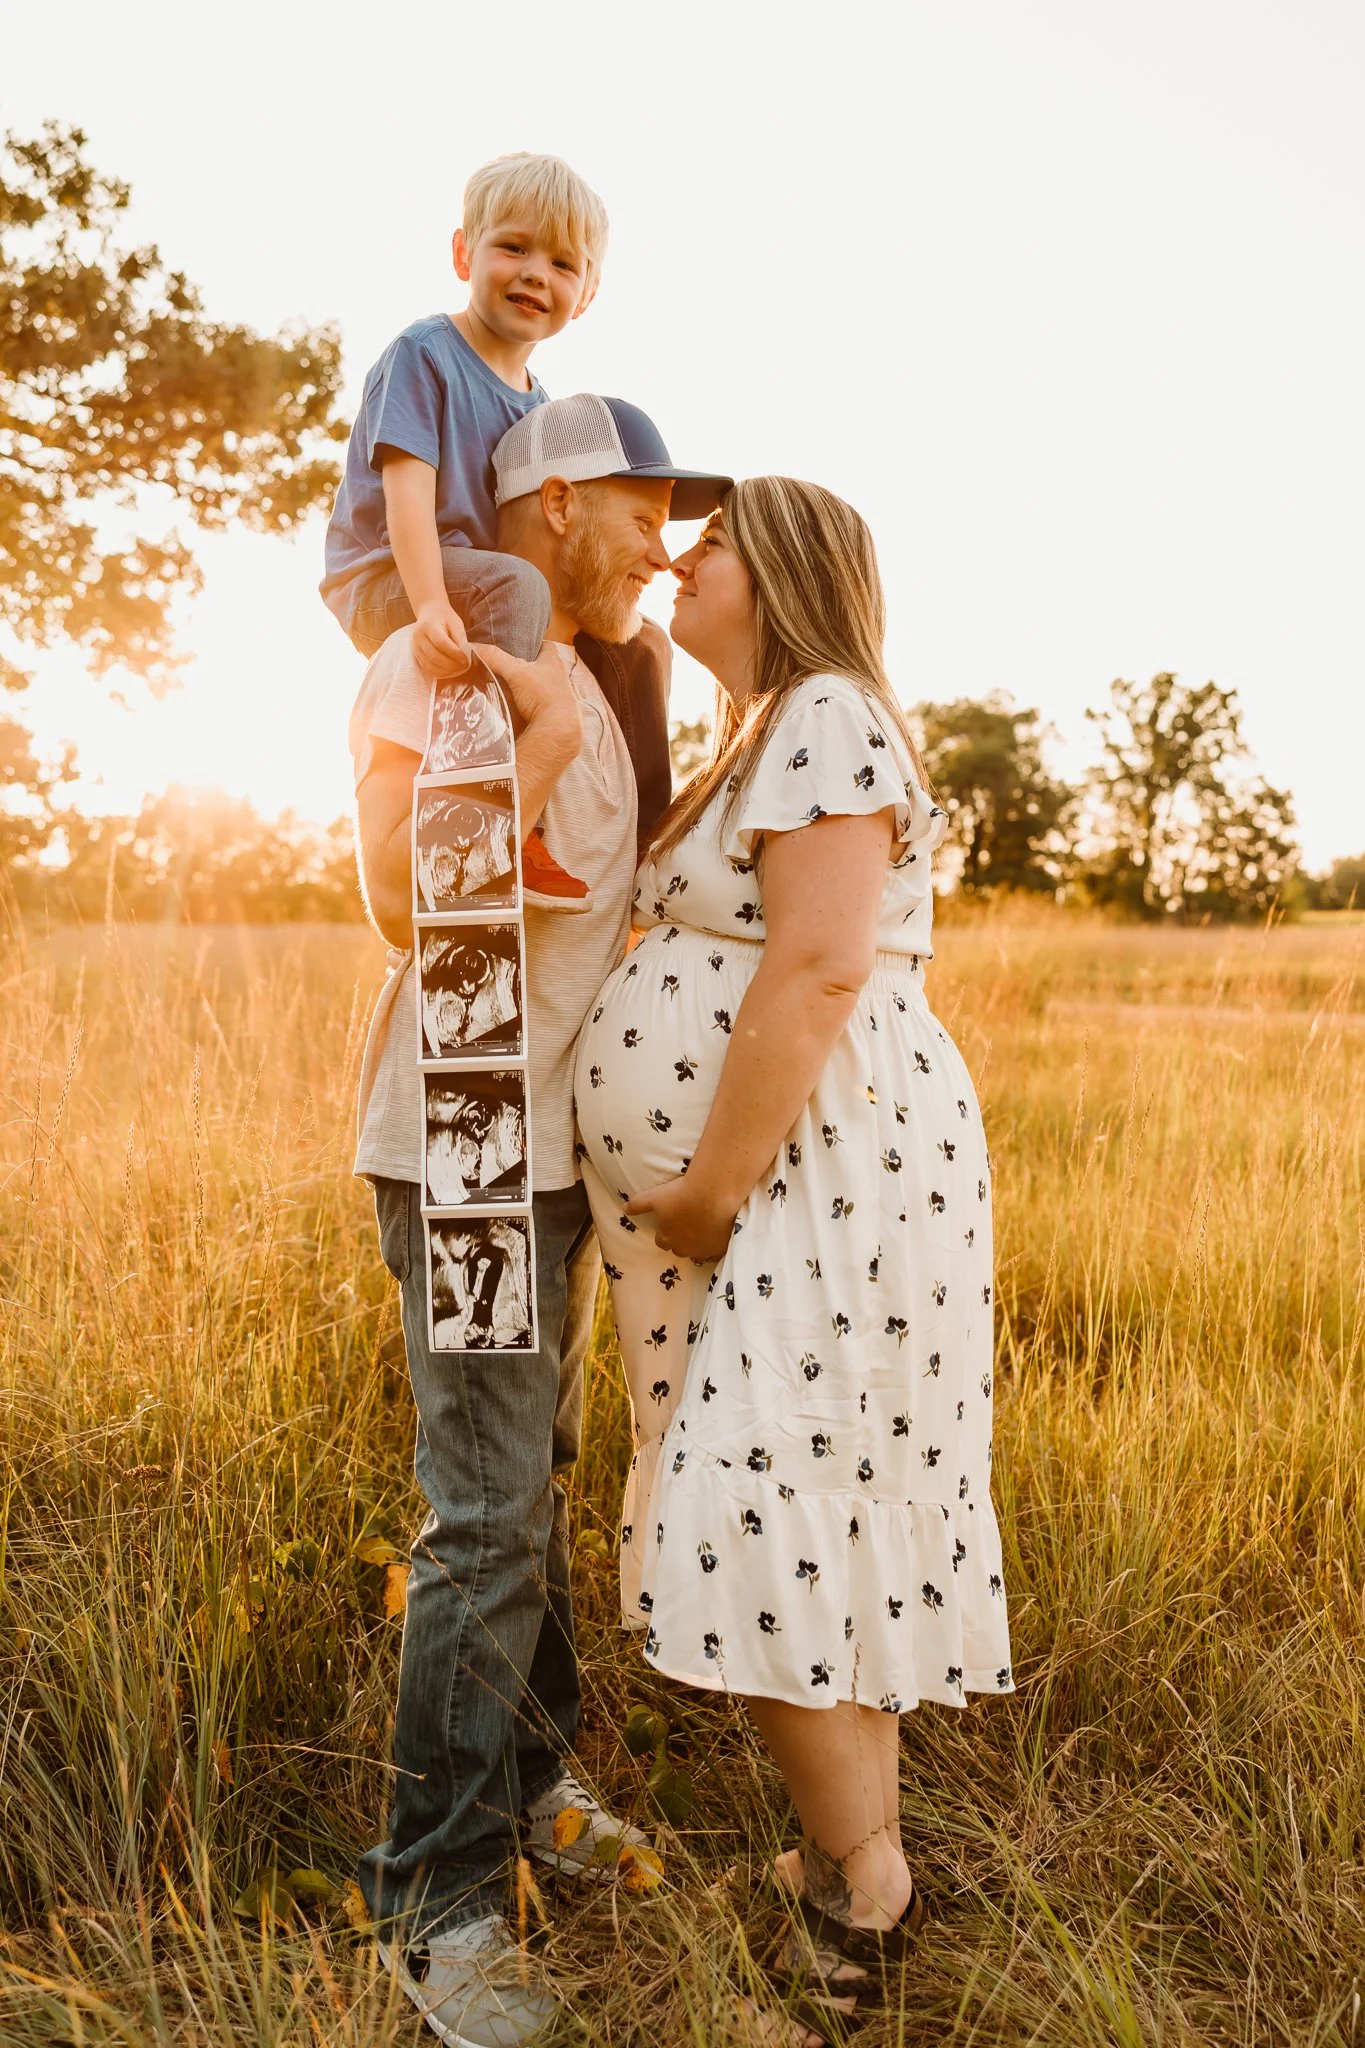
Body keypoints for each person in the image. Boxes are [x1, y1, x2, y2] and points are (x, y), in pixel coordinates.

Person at [573, 478, 1013, 2042]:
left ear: (789, 572)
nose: (680, 560)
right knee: (809, 1500)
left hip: (813, 1180)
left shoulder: (823, 710)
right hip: (784, 1180)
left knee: (766, 1497)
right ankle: (851, 1855)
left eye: (711, 542)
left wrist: (708, 1186)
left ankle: (869, 1891)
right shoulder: (757, 731)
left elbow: (823, 963)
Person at [349, 393, 730, 2047]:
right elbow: (398, 900)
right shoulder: (444, 660)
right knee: (491, 1511)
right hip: (469, 1134)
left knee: (536, 1485)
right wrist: (546, 752)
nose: (668, 542)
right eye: (647, 509)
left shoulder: (636, 674)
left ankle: (530, 1782)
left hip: (560, 1155)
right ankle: (436, 1897)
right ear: (557, 503)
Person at [322, 150, 608, 910]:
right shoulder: (426, 355)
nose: (534, 274)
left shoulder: (540, 408)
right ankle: (490, 826)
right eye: (512, 247)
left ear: (586, 295)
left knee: (614, 632)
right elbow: (405, 498)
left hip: (477, 582)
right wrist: (427, 605)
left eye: (562, 263)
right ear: (463, 253)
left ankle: (632, 844)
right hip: (386, 576)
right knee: (517, 586)